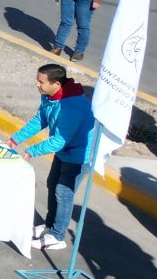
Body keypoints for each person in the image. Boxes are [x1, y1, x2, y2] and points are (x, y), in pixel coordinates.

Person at [8, 64, 95, 251]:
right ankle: (49, 225)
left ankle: (57, 236)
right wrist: (16, 139)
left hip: (80, 155)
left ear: (56, 84)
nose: (37, 84)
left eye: (41, 82)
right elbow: (41, 119)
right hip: (66, 151)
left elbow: (59, 140)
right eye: (37, 80)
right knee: (52, 183)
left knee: (63, 192)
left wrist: (32, 150)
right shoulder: (49, 96)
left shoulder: (72, 105)